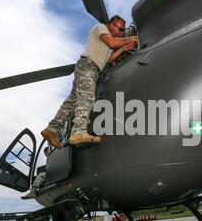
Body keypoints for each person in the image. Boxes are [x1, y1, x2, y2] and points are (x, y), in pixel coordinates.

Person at [41, 15, 138, 148]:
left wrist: (123, 49)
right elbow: (113, 43)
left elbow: (109, 59)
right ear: (111, 24)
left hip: (90, 68)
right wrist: (134, 37)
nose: (121, 33)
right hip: (88, 66)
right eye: (120, 29)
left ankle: (51, 130)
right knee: (87, 97)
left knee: (72, 102)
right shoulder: (101, 28)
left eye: (122, 31)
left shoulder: (107, 41)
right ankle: (78, 132)